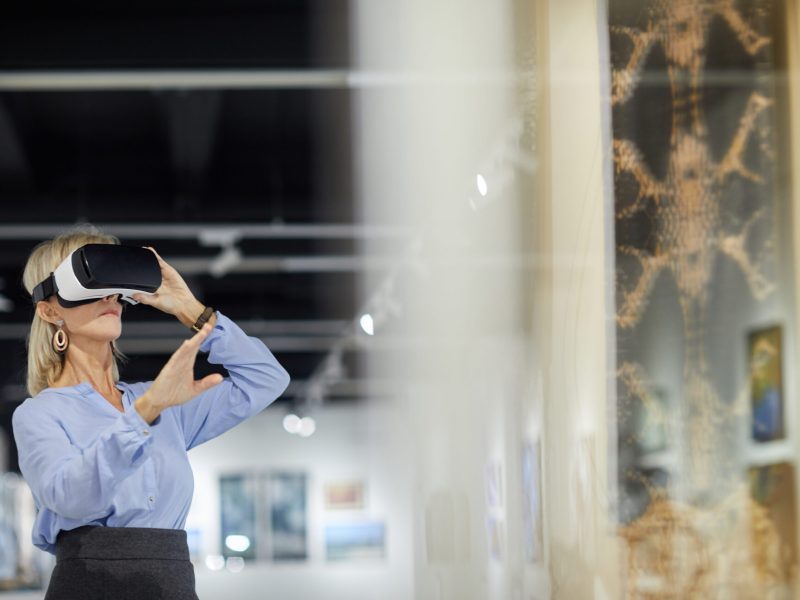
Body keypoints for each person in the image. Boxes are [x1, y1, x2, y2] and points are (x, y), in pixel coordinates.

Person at [12, 226, 291, 600]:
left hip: (171, 584)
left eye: (114, 284)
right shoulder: (41, 414)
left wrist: (190, 309)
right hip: (89, 586)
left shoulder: (162, 404)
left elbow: (266, 378)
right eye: (90, 282)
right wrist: (145, 413)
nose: (109, 295)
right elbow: (71, 497)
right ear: (49, 310)